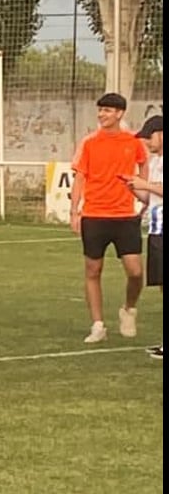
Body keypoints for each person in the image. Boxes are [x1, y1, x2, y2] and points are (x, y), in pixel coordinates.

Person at [70, 93, 148, 343]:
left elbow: (143, 167)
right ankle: (98, 324)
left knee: (135, 271)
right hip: (94, 215)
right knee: (93, 269)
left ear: (120, 113)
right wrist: (75, 212)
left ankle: (128, 308)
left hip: (125, 215)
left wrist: (143, 196)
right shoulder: (89, 143)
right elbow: (80, 177)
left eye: (107, 110)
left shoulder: (133, 141)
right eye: (100, 110)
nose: (102, 115)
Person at [127, 115, 162, 359]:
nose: (147, 143)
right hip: (157, 229)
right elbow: (153, 197)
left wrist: (145, 185)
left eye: (150, 137)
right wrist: (136, 190)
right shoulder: (156, 161)